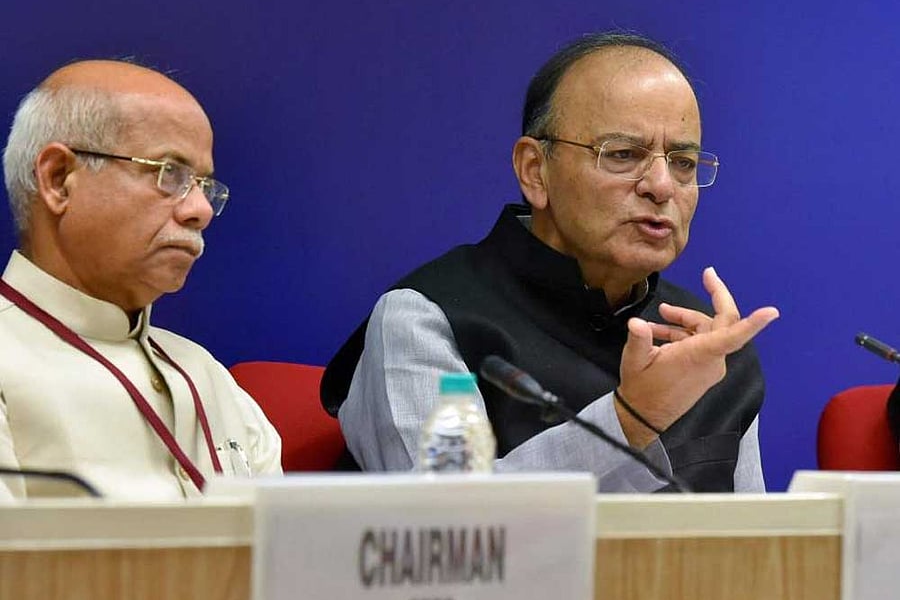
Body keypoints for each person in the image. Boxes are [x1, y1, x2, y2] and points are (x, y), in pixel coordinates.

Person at [321, 33, 779, 492]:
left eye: (683, 161)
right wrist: (631, 420)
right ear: (534, 171)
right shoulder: (427, 320)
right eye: (622, 154)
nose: (661, 186)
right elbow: (452, 526)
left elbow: (756, 547)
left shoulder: (710, 351)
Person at [0, 60, 282, 499]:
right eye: (169, 173)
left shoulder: (207, 374)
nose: (201, 211)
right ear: (59, 180)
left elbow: (289, 553)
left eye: (204, 184)